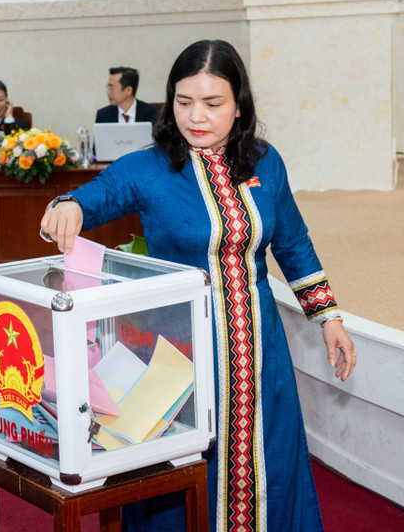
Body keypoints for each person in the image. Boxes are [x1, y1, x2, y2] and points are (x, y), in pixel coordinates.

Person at [41, 39, 356, 532]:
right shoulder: (151, 167)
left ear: (239, 105)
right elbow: (96, 195)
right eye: (184, 102)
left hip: (260, 349)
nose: (196, 117)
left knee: (269, 459)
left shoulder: (265, 162)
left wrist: (328, 317)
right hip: (182, 354)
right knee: (184, 475)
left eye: (213, 103)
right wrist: (68, 206)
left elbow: (293, 242)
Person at [95, 66, 159, 124]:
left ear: (128, 90)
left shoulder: (153, 113)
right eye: (108, 88)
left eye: (112, 88)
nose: (108, 92)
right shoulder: (103, 115)